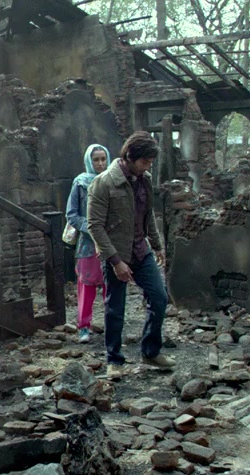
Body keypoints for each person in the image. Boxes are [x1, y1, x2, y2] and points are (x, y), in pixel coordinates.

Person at [85, 132, 173, 370]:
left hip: (141, 250)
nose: (148, 166)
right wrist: (115, 261)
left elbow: (148, 214)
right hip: (116, 253)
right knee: (115, 308)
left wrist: (156, 244)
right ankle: (114, 359)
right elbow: (95, 226)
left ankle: (150, 352)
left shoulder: (145, 179)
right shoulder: (103, 183)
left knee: (159, 297)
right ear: (129, 157)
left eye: (150, 162)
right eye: (144, 161)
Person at [66, 144, 110, 344]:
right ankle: (84, 326)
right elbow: (71, 214)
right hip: (87, 245)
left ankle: (112, 324)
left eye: (103, 159)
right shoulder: (80, 183)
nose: (100, 163)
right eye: (96, 160)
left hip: (111, 243)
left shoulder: (113, 180)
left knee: (112, 285)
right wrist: (91, 227)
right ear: (89, 161)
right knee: (86, 286)